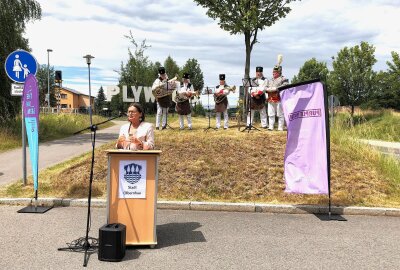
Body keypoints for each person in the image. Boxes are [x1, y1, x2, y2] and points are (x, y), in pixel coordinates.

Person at [266, 55, 289, 131]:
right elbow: (265, 87)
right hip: (270, 98)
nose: (274, 73)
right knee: (271, 113)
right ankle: (271, 127)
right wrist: (268, 89)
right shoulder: (270, 80)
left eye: (275, 72)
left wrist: (276, 89)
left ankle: (280, 128)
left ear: (279, 72)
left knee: (280, 114)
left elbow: (285, 85)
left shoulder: (283, 78)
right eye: (273, 72)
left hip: (279, 98)